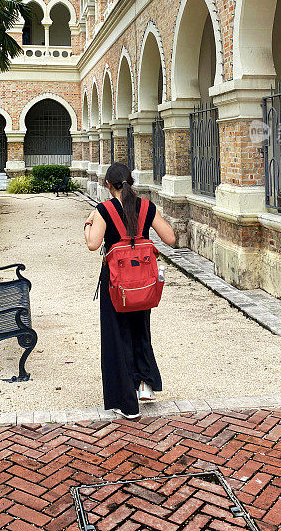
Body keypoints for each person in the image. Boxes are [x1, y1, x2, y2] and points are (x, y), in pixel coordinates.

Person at [84, 162, 176, 419]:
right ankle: (145, 383)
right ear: (131, 182)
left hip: (116, 282)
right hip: (143, 280)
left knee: (117, 335)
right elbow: (170, 238)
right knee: (140, 329)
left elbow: (93, 244)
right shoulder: (146, 206)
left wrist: (87, 224)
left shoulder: (104, 210)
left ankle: (127, 403)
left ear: (107, 185)